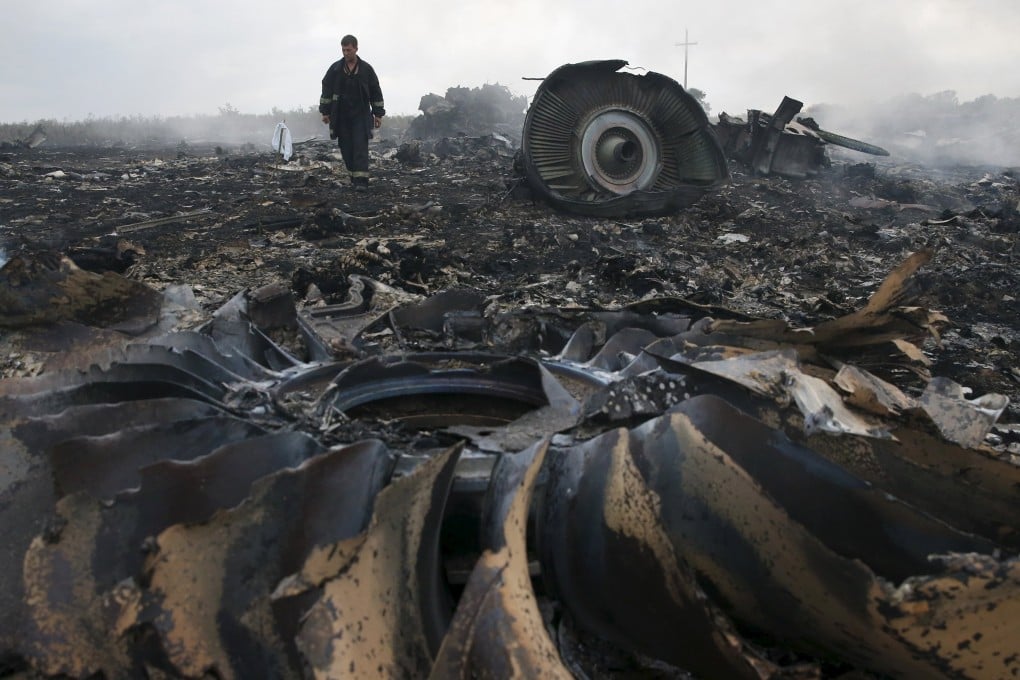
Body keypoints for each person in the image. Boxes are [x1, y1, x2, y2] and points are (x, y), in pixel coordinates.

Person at [319, 35, 385, 191]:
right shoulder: (335, 69)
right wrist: (325, 112)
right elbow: (326, 91)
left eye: (348, 50)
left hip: (360, 116)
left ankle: (361, 181)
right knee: (346, 148)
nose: (345, 53)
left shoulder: (366, 70)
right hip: (341, 116)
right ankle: (353, 177)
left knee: (360, 147)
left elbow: (376, 92)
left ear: (356, 48)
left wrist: (378, 114)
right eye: (343, 50)